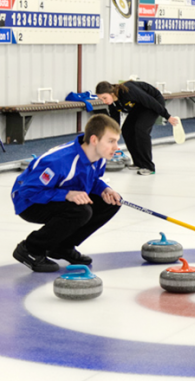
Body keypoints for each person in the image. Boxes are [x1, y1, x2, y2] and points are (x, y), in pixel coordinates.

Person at [10, 115, 123, 273]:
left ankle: (61, 247)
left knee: (109, 203)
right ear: (94, 140)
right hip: (28, 202)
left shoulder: (99, 157)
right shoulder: (59, 161)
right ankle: (30, 249)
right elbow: (28, 191)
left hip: (54, 194)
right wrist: (67, 195)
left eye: (117, 141)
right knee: (80, 211)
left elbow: (92, 180)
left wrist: (105, 189)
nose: (117, 147)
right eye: (111, 141)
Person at [96, 80, 179, 176]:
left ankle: (148, 166)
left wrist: (167, 116)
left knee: (141, 129)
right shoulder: (112, 103)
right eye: (101, 99)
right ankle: (138, 162)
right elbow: (115, 121)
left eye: (104, 98)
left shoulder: (128, 91)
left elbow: (150, 102)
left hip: (154, 102)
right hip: (139, 106)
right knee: (127, 130)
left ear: (112, 93)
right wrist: (112, 137)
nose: (104, 101)